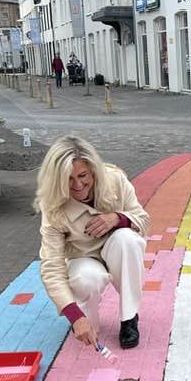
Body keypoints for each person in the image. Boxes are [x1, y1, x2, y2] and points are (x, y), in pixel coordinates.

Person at [35, 136, 150, 349]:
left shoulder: (114, 180)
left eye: (82, 175)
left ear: (93, 170)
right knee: (86, 279)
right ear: (57, 180)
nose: (78, 185)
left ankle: (129, 318)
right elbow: (51, 267)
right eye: (68, 179)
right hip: (83, 259)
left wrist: (117, 218)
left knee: (128, 240)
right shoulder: (52, 205)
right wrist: (74, 315)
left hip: (116, 249)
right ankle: (86, 319)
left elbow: (143, 220)